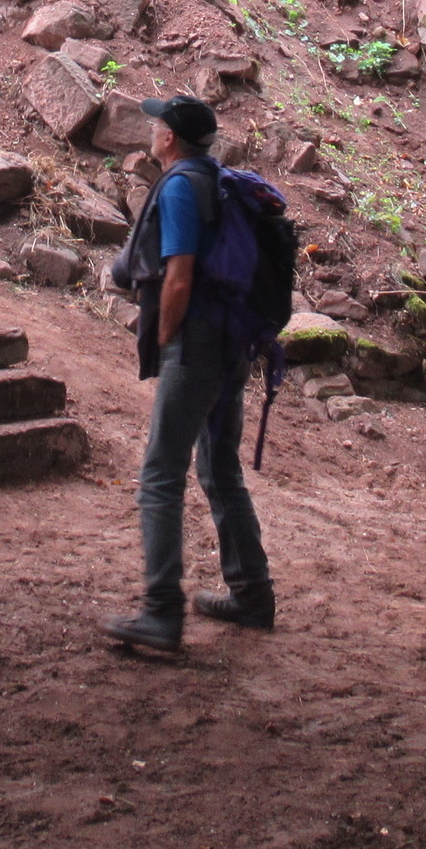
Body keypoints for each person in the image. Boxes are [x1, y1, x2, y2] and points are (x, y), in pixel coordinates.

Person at [102, 96, 274, 653]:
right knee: (219, 466)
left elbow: (178, 274)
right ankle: (252, 595)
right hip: (232, 341)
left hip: (197, 343)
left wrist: (165, 337)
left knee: (161, 472)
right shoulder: (217, 181)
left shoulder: (179, 187)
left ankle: (161, 612)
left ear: (171, 138)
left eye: (158, 123)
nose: (152, 129)